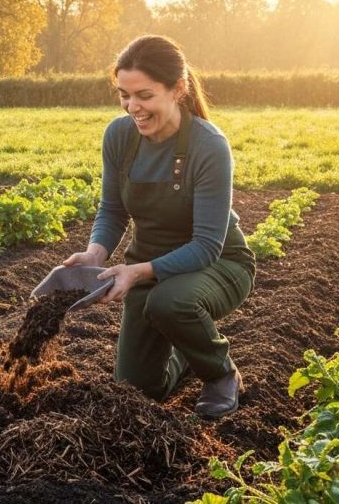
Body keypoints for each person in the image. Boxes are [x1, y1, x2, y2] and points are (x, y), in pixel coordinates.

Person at [62, 35, 255, 418]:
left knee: (169, 302)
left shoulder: (208, 146)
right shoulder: (119, 135)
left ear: (177, 89)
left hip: (218, 265)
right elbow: (113, 209)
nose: (133, 107)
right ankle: (184, 352)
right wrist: (95, 252)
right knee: (136, 390)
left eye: (144, 95)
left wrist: (139, 271)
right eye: (124, 95)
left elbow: (206, 246)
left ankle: (220, 374)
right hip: (148, 262)